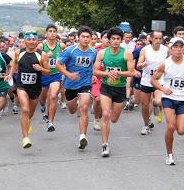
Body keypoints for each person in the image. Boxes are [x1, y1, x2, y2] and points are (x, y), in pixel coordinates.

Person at [151, 39, 184, 165]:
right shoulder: (165, 63)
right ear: (171, 49)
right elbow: (154, 80)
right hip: (169, 98)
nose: (178, 49)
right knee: (170, 126)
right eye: (176, 47)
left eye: (181, 47)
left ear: (183, 49)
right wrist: (163, 89)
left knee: (180, 131)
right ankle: (169, 154)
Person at [93, 27, 135, 157]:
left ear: (121, 40)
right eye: (113, 39)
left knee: (114, 119)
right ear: (109, 40)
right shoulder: (102, 53)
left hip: (120, 89)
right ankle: (105, 145)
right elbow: (95, 71)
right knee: (105, 114)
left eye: (118, 39)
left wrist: (118, 73)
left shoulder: (127, 53)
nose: (115, 41)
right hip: (106, 88)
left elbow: (131, 72)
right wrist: (106, 73)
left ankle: (108, 119)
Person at [5, 31, 50, 148]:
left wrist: (40, 68)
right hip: (22, 86)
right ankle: (25, 138)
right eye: (28, 39)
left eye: (33, 39)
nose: (31, 42)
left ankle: (26, 123)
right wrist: (10, 74)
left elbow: (48, 72)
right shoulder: (18, 52)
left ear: (36, 41)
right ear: (25, 41)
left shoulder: (42, 54)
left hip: (35, 88)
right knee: (25, 109)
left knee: (30, 112)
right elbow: (14, 63)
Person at [56, 26, 97, 149]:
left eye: (87, 37)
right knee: (72, 110)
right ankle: (73, 103)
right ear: (78, 38)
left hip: (85, 84)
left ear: (90, 38)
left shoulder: (93, 52)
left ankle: (82, 136)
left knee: (84, 107)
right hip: (70, 85)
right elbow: (58, 64)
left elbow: (94, 66)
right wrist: (69, 75)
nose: (85, 39)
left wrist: (94, 75)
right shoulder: (70, 50)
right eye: (83, 37)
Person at [137, 31, 168, 135]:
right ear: (151, 39)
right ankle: (146, 125)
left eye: (160, 39)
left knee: (158, 102)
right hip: (146, 80)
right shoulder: (145, 50)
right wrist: (142, 65)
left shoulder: (165, 50)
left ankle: (155, 105)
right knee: (145, 105)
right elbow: (138, 65)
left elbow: (172, 60)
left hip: (159, 80)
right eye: (156, 38)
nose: (158, 41)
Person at [37, 24, 65, 131]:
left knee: (53, 96)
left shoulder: (61, 46)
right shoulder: (41, 46)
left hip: (56, 75)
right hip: (44, 75)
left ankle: (50, 122)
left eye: (54, 31)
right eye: (50, 31)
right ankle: (43, 105)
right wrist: (44, 57)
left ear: (57, 33)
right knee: (43, 98)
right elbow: (35, 61)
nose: (52, 33)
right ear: (46, 33)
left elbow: (65, 58)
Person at [91, 30, 109, 131]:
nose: (107, 39)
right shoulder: (95, 50)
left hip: (110, 79)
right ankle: (96, 119)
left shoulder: (117, 50)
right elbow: (89, 64)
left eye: (108, 37)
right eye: (105, 37)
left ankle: (101, 116)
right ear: (101, 39)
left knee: (105, 102)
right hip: (97, 78)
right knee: (98, 99)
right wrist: (92, 74)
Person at [0, 39, 12, 119]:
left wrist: (7, 74)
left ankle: (4, 100)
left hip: (1, 85)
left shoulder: (3, 55)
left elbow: (12, 66)